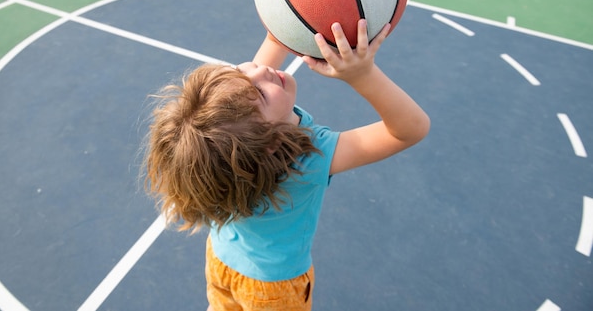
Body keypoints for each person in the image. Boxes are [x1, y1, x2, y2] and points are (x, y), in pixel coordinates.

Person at [144, 19, 430, 311]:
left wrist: (285, 20)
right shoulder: (307, 160)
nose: (259, 70)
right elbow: (410, 129)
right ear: (268, 142)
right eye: (262, 94)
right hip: (273, 290)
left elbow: (253, 84)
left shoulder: (234, 152)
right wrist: (363, 75)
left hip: (222, 258)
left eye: (240, 71)